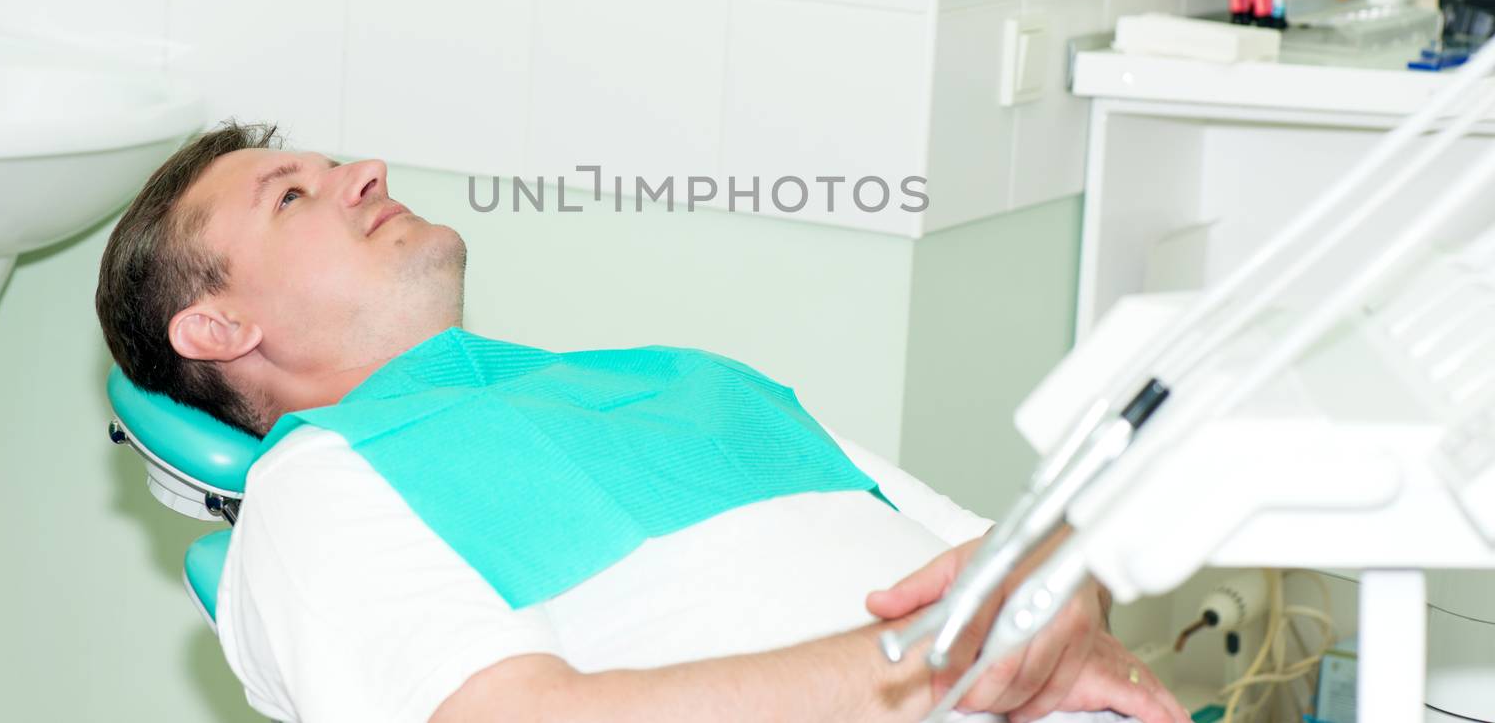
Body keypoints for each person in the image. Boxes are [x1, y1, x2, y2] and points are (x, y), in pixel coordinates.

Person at [96, 122, 1187, 723]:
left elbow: (1014, 562)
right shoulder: (321, 484)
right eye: (292, 196)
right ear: (216, 325)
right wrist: (950, 657)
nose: (364, 171)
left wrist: (1054, 598)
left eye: (335, 166)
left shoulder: (681, 376)